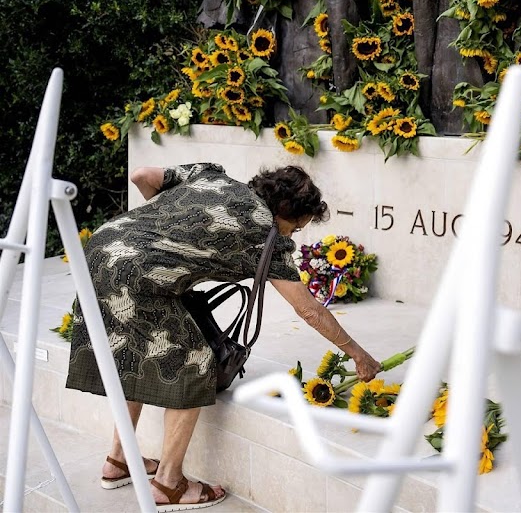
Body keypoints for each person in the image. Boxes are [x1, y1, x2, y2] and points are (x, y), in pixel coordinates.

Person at [66, 163, 381, 509]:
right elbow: (309, 310)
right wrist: (356, 353)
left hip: (97, 253)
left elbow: (142, 175)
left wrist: (166, 231)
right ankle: (169, 483)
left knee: (133, 353)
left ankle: (118, 461)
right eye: (295, 228)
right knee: (196, 363)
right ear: (285, 213)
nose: (292, 237)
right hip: (139, 277)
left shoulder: (210, 175)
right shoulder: (268, 237)